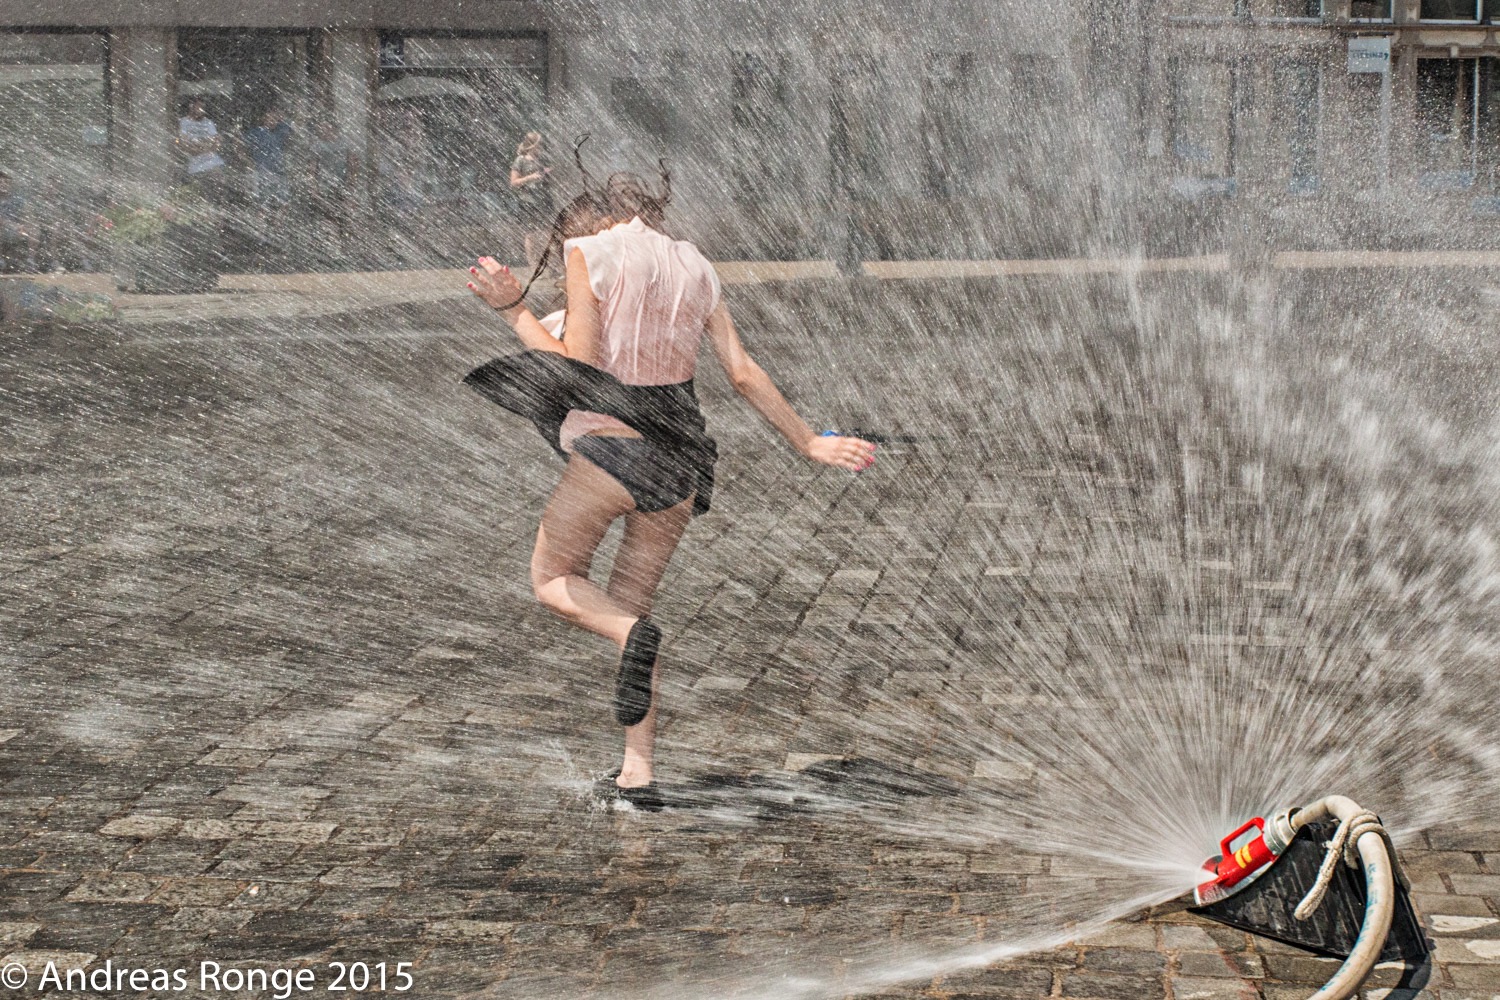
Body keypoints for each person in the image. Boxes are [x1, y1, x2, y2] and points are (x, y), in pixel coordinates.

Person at [464, 170, 876, 810]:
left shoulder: (589, 252)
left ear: (594, 219)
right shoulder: (696, 264)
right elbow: (740, 372)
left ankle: (633, 654)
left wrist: (512, 308)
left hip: (613, 452)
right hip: (682, 464)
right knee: (631, 605)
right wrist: (808, 442)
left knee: (555, 581)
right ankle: (637, 775)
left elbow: (579, 365)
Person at [509, 131, 552, 266]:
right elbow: (513, 182)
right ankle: (533, 263)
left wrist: (547, 173)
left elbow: (544, 176)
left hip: (544, 199)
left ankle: (547, 261)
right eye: (539, 144)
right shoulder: (520, 160)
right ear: (532, 145)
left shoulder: (541, 159)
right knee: (531, 234)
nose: (541, 147)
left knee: (547, 231)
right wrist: (529, 178)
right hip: (528, 201)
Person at [178, 99, 226, 196]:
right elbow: (184, 143)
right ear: (191, 107)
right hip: (194, 164)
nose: (201, 110)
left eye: (203, 108)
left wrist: (201, 146)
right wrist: (204, 145)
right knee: (197, 190)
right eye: (199, 107)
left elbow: (216, 142)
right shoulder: (184, 122)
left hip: (212, 161)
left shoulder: (208, 123)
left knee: (220, 182)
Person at [0, 170, 37, 273]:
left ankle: (30, 261)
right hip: (5, 229)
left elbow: (28, 213)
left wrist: (26, 224)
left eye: (6, 182)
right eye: (1, 182)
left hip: (17, 229)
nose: (3, 185)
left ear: (10, 185)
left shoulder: (17, 200)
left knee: (34, 228)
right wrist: (13, 225)